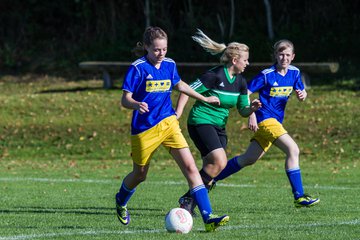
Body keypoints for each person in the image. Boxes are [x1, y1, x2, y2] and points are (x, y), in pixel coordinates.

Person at [115, 26, 229, 232]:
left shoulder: (169, 64)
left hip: (169, 123)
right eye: (157, 50)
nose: (161, 54)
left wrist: (204, 98)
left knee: (191, 169)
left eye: (164, 49)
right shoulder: (138, 68)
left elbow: (180, 85)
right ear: (147, 48)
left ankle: (208, 217)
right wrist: (136, 104)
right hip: (144, 129)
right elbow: (125, 99)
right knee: (140, 174)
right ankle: (121, 200)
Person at [213, 39, 320, 207]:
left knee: (248, 159)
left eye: (287, 55)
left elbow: (302, 91)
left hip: (276, 122)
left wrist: (302, 95)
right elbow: (244, 92)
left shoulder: (295, 73)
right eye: (280, 54)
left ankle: (211, 178)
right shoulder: (266, 75)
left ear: (292, 56)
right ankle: (299, 196)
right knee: (293, 149)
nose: (284, 58)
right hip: (265, 120)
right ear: (275, 55)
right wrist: (251, 114)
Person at [175, 29, 261, 215]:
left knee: (212, 170)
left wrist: (252, 109)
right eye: (245, 60)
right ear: (235, 60)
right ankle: (190, 200)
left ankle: (188, 202)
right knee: (220, 161)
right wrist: (178, 113)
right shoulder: (215, 75)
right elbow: (186, 90)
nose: (248, 63)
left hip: (219, 127)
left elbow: (243, 110)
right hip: (201, 121)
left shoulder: (241, 82)